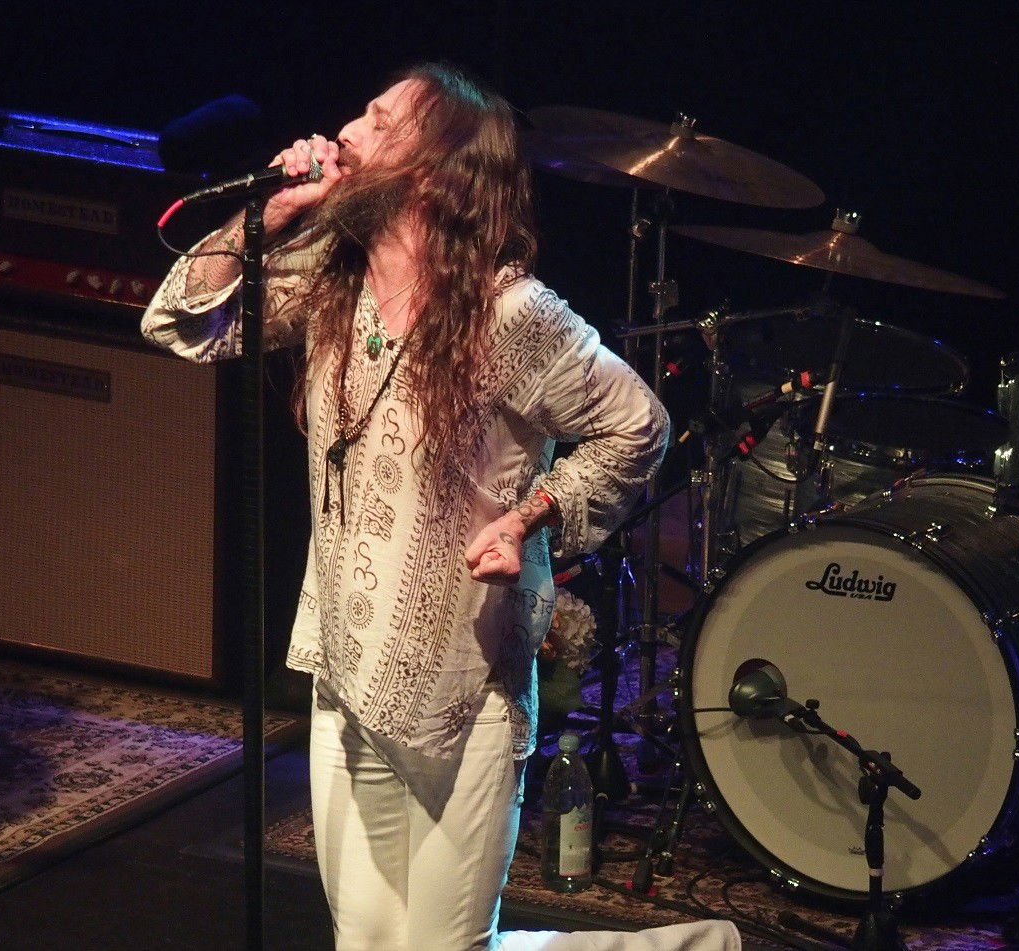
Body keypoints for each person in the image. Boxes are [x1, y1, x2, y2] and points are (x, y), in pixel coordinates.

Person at [143, 62, 738, 951]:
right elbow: (177, 324)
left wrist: (531, 513)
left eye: (379, 121)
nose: (346, 130)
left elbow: (638, 427)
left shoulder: (512, 315)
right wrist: (267, 216)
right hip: (345, 674)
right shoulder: (330, 278)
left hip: (461, 693)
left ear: (431, 173)